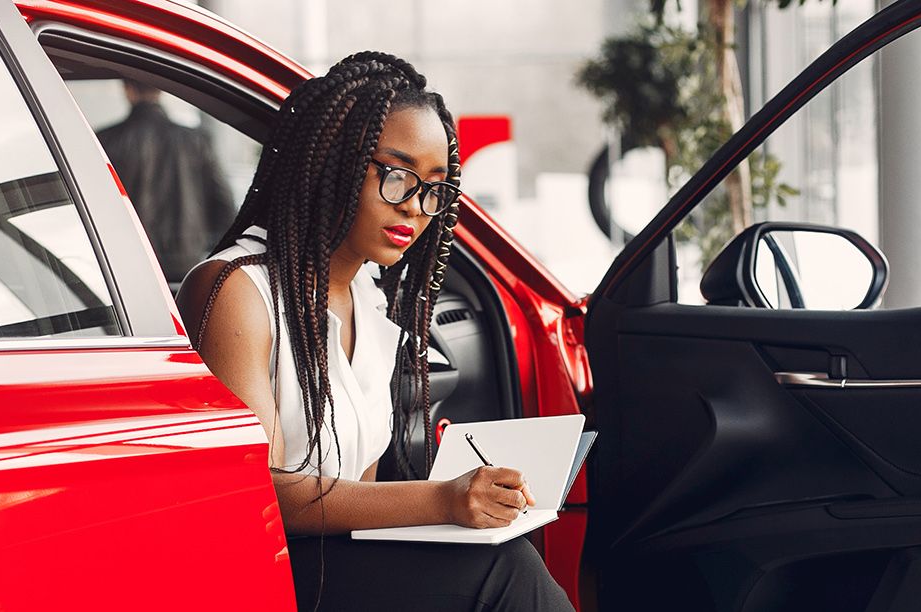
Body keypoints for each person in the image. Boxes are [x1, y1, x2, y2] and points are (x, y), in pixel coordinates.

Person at [176, 52, 575, 612]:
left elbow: (354, 495)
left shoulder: (368, 296)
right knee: (503, 575)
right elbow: (257, 495)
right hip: (271, 570)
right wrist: (440, 499)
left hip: (334, 561)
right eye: (395, 174)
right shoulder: (239, 290)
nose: (415, 206)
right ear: (333, 163)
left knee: (502, 557)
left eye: (434, 188)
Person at [98, 81, 236, 279]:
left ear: (128, 90)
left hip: (129, 264)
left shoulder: (105, 141)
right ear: (160, 91)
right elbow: (224, 205)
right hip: (186, 264)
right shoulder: (195, 140)